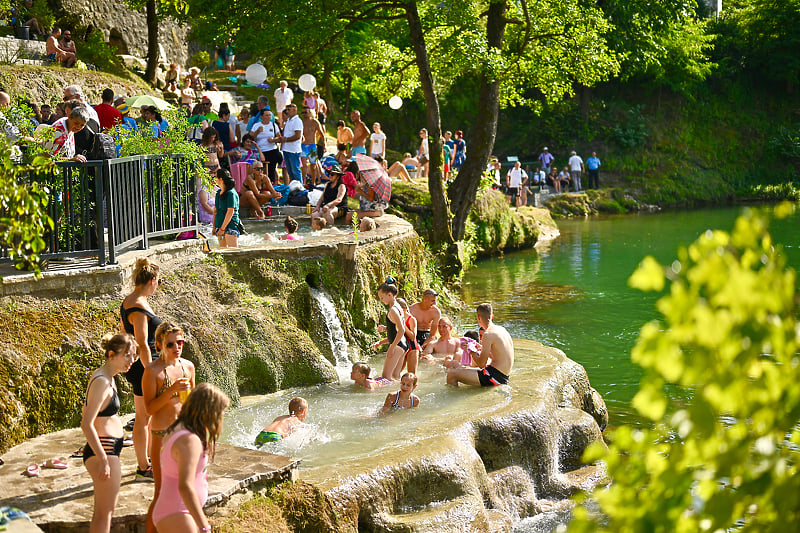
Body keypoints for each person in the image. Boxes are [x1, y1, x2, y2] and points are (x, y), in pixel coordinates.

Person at [152, 383, 229, 533]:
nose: (220, 419)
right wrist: (204, 526)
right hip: (178, 512)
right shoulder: (189, 440)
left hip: (178, 511)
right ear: (208, 412)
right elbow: (185, 486)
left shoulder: (179, 429)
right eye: (220, 413)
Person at [80, 333, 137, 533]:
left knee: (102, 513)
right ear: (112, 354)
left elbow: (88, 412)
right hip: (104, 451)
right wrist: (103, 458)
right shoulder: (102, 382)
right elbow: (86, 423)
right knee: (105, 515)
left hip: (107, 448)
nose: (131, 361)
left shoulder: (107, 377)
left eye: (134, 356)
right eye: (127, 355)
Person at [143, 322, 196, 533]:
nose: (177, 347)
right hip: (161, 436)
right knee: (160, 493)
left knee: (185, 489)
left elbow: (191, 403)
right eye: (170, 344)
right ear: (159, 345)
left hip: (183, 435)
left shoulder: (188, 367)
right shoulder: (152, 371)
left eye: (180, 342)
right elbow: (149, 409)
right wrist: (171, 391)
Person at [120, 257, 162, 480]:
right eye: (159, 282)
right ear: (152, 280)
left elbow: (124, 336)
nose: (158, 286)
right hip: (145, 367)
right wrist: (150, 370)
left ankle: (148, 461)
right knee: (144, 418)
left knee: (145, 417)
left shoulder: (129, 301)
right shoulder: (138, 305)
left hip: (139, 366)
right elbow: (142, 342)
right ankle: (145, 465)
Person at [446, 303, 514, 387]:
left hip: (494, 377)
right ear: (492, 316)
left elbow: (481, 364)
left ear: (478, 317)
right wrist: (481, 348)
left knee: (451, 374)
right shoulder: (502, 330)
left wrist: (470, 350)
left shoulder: (488, 334)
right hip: (504, 376)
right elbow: (500, 355)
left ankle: (452, 398)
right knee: (459, 367)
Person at [373, 277, 407, 381]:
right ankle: (398, 393)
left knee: (386, 377)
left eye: (382, 297)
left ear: (389, 294)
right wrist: (386, 329)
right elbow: (398, 326)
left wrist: (392, 347)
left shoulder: (393, 310)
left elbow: (401, 330)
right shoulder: (398, 307)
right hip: (403, 345)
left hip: (397, 345)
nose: (381, 300)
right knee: (395, 377)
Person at [251, 108, 282, 183]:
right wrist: (258, 131)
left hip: (272, 149)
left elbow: (279, 137)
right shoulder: (256, 125)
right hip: (261, 150)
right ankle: (260, 184)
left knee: (271, 169)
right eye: (266, 115)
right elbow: (251, 137)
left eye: (270, 115)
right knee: (261, 170)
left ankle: (271, 184)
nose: (268, 117)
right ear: (261, 116)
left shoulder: (274, 125)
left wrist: (273, 140)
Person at [214, 169, 240, 247]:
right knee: (222, 250)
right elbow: (215, 211)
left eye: (216, 177)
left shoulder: (231, 193)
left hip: (230, 226)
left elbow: (230, 212)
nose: (214, 179)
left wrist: (222, 229)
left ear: (221, 179)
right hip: (219, 225)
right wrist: (214, 227)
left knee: (233, 251)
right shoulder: (218, 193)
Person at [409, 289, 441, 353]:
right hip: (414, 334)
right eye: (433, 301)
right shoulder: (412, 309)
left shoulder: (436, 312)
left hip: (428, 334)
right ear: (425, 299)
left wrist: (423, 346)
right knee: (413, 350)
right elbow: (408, 330)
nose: (435, 303)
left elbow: (432, 334)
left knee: (429, 351)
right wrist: (416, 345)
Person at [278, 103, 303, 182]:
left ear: (295, 110)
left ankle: (300, 188)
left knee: (295, 171)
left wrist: (285, 139)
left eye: (289, 110)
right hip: (287, 149)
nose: (287, 111)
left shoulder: (297, 121)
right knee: (290, 172)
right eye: (287, 110)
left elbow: (297, 136)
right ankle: (294, 187)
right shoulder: (289, 120)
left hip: (293, 150)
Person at [301, 106, 325, 184]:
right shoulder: (301, 122)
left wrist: (324, 144)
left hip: (312, 146)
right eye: (303, 112)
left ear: (310, 112)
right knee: (304, 164)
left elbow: (322, 134)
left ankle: (313, 182)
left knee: (313, 165)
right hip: (303, 146)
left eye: (306, 112)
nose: (304, 114)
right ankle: (304, 181)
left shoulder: (315, 122)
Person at [397, 298, 419, 375]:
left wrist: (403, 325)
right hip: (401, 347)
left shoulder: (412, 319)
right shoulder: (396, 318)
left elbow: (413, 337)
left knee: (412, 375)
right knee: (395, 375)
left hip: (412, 348)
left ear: (404, 308)